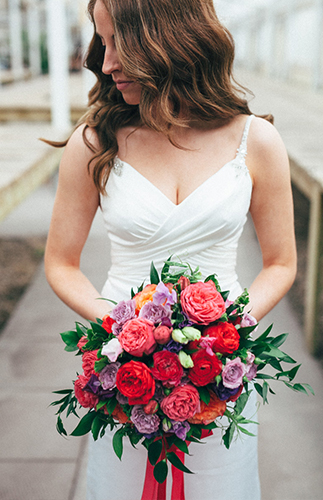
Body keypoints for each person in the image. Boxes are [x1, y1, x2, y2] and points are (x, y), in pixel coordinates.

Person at [44, 0, 297, 498]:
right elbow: (60, 262)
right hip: (123, 372)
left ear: (170, 36)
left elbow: (281, 263)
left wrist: (227, 331)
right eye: (104, 42)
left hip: (221, 371)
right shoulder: (95, 141)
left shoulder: (257, 140)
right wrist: (122, 334)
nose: (106, 61)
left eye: (122, 42)